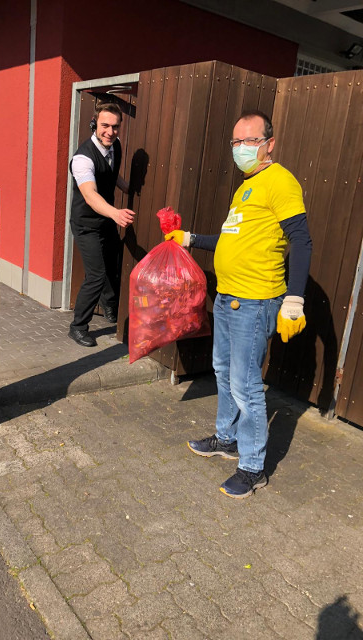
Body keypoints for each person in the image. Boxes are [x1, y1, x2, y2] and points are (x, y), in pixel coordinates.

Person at [165, 110, 312, 499]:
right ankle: (227, 439)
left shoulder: (281, 182)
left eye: (250, 140)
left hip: (255, 301)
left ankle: (252, 468)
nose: (241, 148)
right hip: (228, 297)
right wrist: (190, 239)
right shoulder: (246, 187)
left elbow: (301, 240)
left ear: (269, 143)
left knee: (246, 386)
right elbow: (230, 239)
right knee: (223, 371)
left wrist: (294, 299)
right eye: (236, 141)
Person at [68, 102, 136, 347]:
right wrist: (116, 214)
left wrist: (125, 186)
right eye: (105, 125)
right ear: (94, 124)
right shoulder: (82, 159)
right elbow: (90, 195)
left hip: (106, 217)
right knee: (96, 275)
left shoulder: (114, 145)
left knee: (113, 263)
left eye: (115, 127)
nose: (110, 131)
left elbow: (109, 169)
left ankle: (110, 305)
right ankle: (78, 327)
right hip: (86, 223)